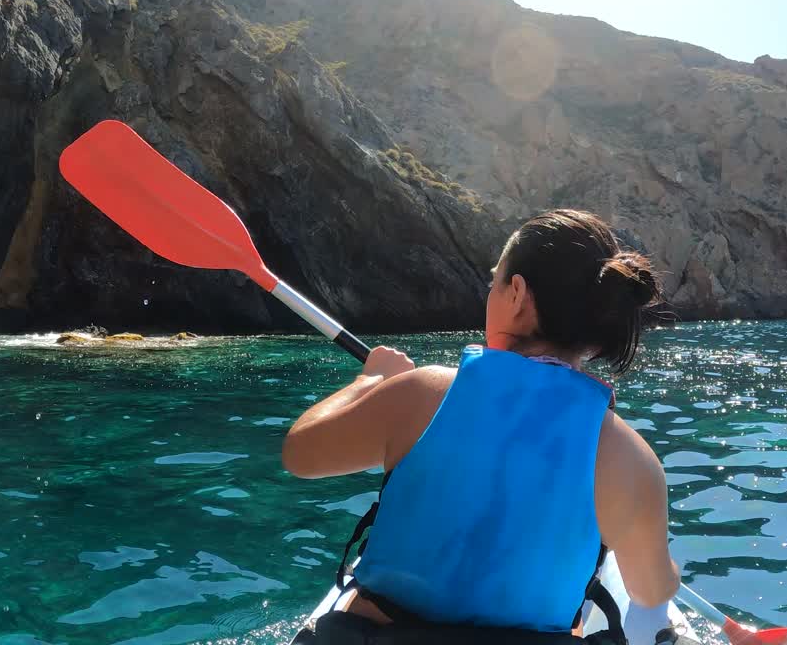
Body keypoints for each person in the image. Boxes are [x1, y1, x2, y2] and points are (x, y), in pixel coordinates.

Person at [283, 209, 680, 645]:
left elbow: (300, 453)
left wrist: (370, 381)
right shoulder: (633, 461)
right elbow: (651, 592)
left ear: (516, 294)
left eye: (494, 282)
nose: (489, 294)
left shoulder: (423, 393)